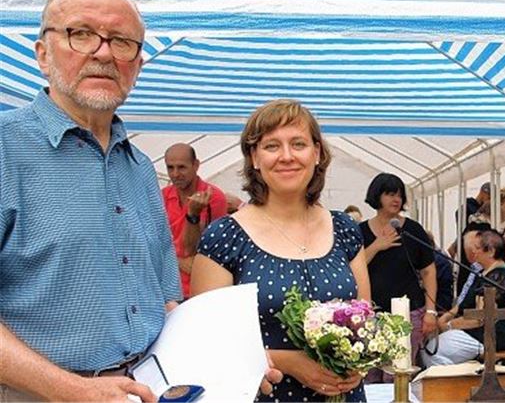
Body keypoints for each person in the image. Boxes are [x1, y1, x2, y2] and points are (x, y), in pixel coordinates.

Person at [0, 0, 282, 402]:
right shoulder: (6, 148)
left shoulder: (139, 170)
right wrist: (70, 389)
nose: (103, 53)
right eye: (81, 34)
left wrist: (230, 357)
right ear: (42, 54)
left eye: (122, 42)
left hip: (144, 389)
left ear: (137, 65)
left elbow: (166, 302)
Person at [190, 99, 369, 402]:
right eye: (272, 146)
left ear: (317, 153)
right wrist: (289, 362)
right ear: (254, 158)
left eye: (298, 144)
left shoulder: (345, 230)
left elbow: (364, 318)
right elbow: (207, 342)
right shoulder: (225, 237)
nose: (287, 156)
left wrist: (360, 361)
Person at [359, 173, 437, 376]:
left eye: (400, 195)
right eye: (390, 194)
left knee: (399, 373)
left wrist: (431, 312)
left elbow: (428, 271)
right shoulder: (360, 231)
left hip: (409, 313)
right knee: (371, 373)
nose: (396, 200)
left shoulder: (413, 230)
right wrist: (377, 246)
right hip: (372, 314)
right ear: (377, 196)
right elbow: (353, 268)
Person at [422, 229, 505, 367]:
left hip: (493, 333)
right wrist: (446, 316)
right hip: (474, 330)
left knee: (431, 351)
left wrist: (449, 326)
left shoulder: (498, 277)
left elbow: (480, 317)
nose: (474, 251)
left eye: (478, 248)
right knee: (429, 347)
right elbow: (462, 304)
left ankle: (452, 382)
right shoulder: (482, 272)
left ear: (491, 251)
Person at [162, 143, 228, 299]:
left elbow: (200, 251)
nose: (175, 174)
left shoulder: (214, 198)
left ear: (196, 165)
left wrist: (193, 214)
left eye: (182, 167)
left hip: (200, 289)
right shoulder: (161, 197)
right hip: (169, 288)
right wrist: (178, 261)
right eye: (170, 168)